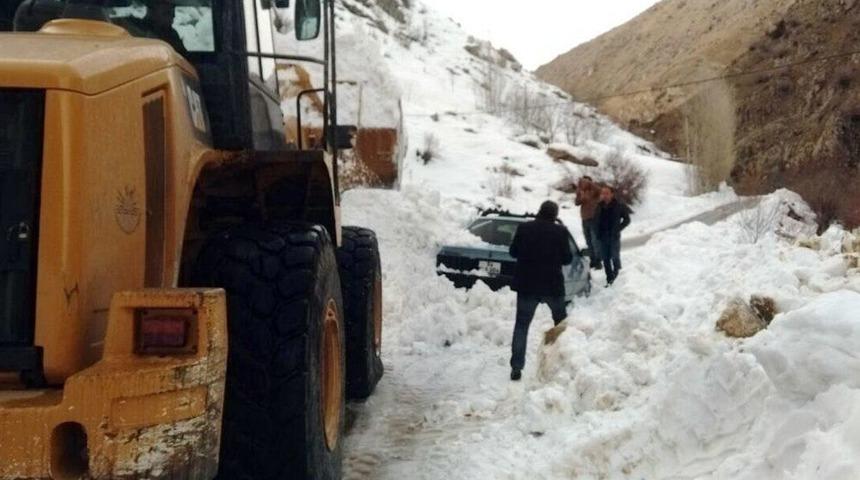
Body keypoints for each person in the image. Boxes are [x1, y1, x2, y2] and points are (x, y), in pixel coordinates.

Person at [508, 200, 573, 381]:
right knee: (560, 324)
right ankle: (560, 362)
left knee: (521, 326)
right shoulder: (560, 232)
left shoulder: (524, 228)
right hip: (552, 286)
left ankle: (516, 367)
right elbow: (567, 259)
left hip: (527, 285)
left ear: (539, 211)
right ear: (554, 215)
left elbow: (513, 252)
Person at [595, 186, 631, 286]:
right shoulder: (599, 206)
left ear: (612, 194)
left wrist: (618, 229)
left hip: (613, 236)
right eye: (603, 193)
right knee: (605, 259)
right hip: (602, 236)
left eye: (607, 193)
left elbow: (627, 220)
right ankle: (609, 278)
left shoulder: (619, 205)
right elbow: (596, 220)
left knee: (615, 256)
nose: (604, 196)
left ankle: (617, 275)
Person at [575, 176, 602, 270]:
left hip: (594, 219)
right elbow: (577, 203)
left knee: (595, 241)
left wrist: (590, 183)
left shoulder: (595, 191)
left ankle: (598, 261)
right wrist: (580, 194)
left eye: (586, 182)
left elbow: (600, 190)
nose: (584, 183)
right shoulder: (581, 191)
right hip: (585, 219)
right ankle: (593, 260)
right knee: (588, 241)